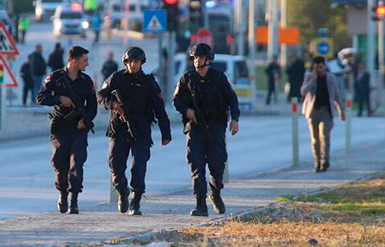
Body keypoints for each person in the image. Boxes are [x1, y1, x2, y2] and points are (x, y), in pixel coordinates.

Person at [97, 47, 171, 215]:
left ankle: (135, 200)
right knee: (115, 164)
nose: (133, 65)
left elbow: (159, 109)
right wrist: (114, 105)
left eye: (136, 62)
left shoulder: (149, 82)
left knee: (139, 166)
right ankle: (123, 192)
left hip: (141, 128)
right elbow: (100, 96)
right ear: (125, 62)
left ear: (141, 63)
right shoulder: (116, 78)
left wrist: (166, 133)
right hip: (119, 128)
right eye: (130, 62)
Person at [173, 43, 240, 217]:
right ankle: (200, 204)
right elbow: (177, 100)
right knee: (197, 166)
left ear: (208, 60)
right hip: (195, 128)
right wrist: (187, 111)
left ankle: (215, 193)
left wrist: (235, 120)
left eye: (201, 58)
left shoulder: (219, 78)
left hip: (216, 126)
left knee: (217, 165)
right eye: (195, 58)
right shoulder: (187, 79)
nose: (197, 62)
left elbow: (232, 100)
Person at [36, 46, 97, 214]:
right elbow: (40, 97)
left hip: (78, 128)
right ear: (74, 61)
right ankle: (62, 193)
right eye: (85, 60)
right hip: (60, 127)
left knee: (77, 164)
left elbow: (93, 106)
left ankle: (74, 200)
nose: (88, 63)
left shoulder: (86, 81)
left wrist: (85, 121)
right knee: (60, 165)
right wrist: (58, 98)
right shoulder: (56, 78)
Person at [301, 56, 346, 173]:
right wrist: (313, 79)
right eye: (317, 67)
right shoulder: (309, 77)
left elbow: (336, 94)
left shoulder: (331, 78)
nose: (319, 69)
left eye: (321, 67)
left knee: (324, 136)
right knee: (315, 139)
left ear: (324, 66)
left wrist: (341, 110)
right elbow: (303, 91)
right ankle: (317, 161)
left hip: (326, 111)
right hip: (313, 112)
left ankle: (324, 161)